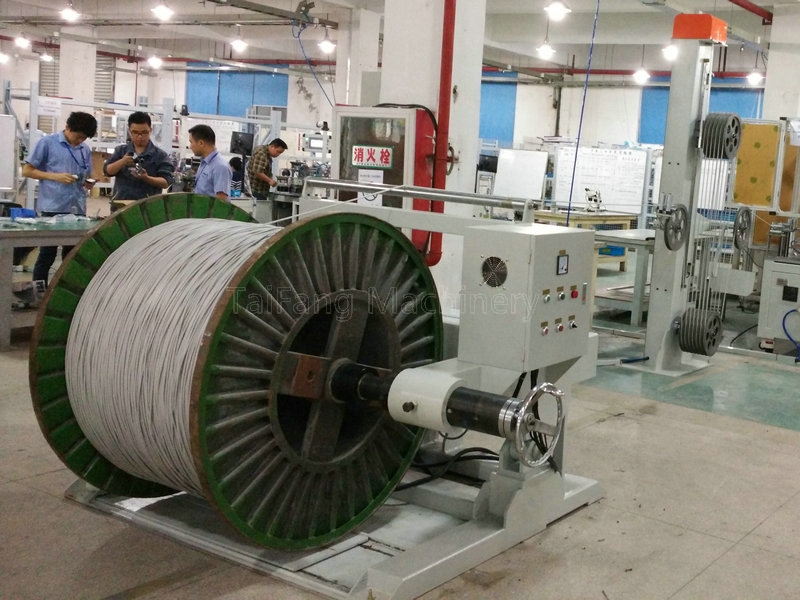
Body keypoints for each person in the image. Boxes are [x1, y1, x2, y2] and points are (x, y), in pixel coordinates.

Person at [22, 111, 97, 286]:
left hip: (77, 208)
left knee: (72, 255)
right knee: (47, 253)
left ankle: (66, 291)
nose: (80, 141)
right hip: (52, 207)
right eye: (78, 137)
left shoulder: (84, 149)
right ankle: (39, 291)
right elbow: (27, 170)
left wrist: (88, 182)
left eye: (84, 138)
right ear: (68, 128)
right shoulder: (47, 143)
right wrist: (54, 176)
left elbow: (86, 174)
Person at [103, 111, 174, 201]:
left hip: (148, 205)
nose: (140, 136)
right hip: (121, 204)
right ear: (130, 131)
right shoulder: (120, 151)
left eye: (144, 132)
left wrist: (146, 178)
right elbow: (107, 171)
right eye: (135, 132)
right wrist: (122, 162)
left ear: (150, 130)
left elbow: (166, 182)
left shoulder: (160, 155)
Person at [188, 124, 231, 201]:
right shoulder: (204, 163)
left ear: (201, 143)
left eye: (191, 142)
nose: (190, 146)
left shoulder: (220, 167)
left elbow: (221, 202)